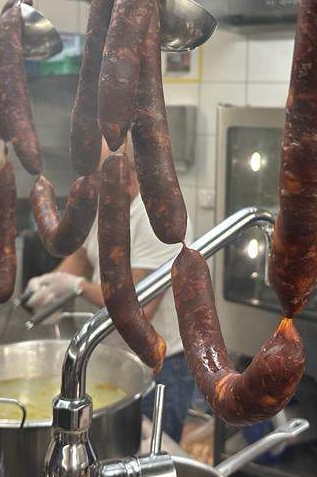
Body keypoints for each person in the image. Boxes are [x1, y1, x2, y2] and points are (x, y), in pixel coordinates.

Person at [24, 143, 196, 442]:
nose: (91, 184)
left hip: (159, 366)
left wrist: (77, 287)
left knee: (148, 454)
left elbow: (137, 308)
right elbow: (82, 256)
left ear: (127, 174)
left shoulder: (157, 218)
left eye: (98, 176)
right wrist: (51, 282)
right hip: (114, 356)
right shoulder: (107, 203)